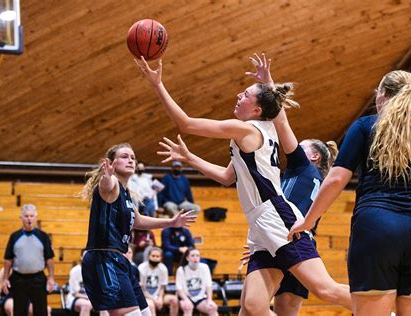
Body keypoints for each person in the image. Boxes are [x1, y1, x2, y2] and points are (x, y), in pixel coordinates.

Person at [135, 53, 352, 316]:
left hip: (277, 218)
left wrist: (157, 84)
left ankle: (384, 309)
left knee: (325, 290)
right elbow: (228, 177)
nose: (239, 95)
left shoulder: (246, 130)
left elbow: (186, 124)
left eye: (246, 94)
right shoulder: (257, 133)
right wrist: (190, 157)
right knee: (252, 307)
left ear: (257, 110)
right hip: (260, 224)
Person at [288, 70, 411, 316]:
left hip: (376, 226)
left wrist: (308, 222)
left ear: (382, 96)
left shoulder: (365, 126)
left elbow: (336, 179)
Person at [79, 143, 197, 316]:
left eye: (133, 157)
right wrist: (106, 177)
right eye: (125, 156)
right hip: (103, 259)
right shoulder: (112, 185)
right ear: (112, 162)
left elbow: (138, 220)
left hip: (120, 259)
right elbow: (105, 185)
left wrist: (171, 222)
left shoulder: (126, 194)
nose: (131, 160)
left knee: (146, 313)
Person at [1, 204, 55, 316]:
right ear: (21, 218)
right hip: (19, 279)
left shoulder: (43, 236)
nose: (29, 218)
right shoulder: (14, 236)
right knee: (19, 311)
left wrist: (51, 277)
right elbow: (8, 260)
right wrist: (5, 278)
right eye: (26, 216)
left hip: (38, 279)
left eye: (31, 216)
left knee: (41, 311)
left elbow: (49, 259)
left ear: (36, 217)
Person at [176, 248, 218, 316]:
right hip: (185, 297)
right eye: (192, 255)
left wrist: (209, 300)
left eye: (197, 255)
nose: (195, 258)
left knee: (213, 307)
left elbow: (209, 285)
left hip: (200, 298)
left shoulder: (205, 267)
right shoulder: (181, 270)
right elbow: (179, 288)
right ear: (187, 258)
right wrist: (186, 300)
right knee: (188, 307)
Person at [66, 250, 109, 316]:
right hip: (76, 298)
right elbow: (75, 294)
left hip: (93, 299)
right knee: (86, 305)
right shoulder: (75, 271)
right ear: (81, 257)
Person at [138, 247, 179, 316]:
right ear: (148, 256)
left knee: (174, 300)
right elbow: (141, 289)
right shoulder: (141, 268)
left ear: (161, 258)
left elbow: (162, 287)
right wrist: (154, 300)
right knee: (151, 305)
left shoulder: (163, 268)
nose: (155, 258)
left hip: (159, 295)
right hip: (146, 296)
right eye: (153, 256)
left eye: (157, 256)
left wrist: (160, 298)